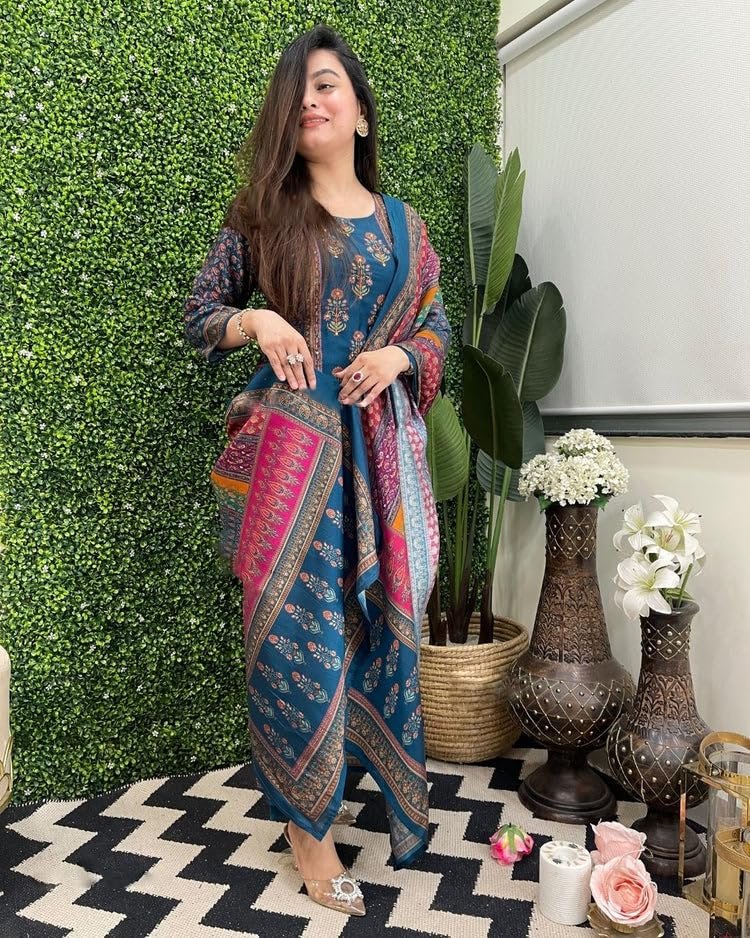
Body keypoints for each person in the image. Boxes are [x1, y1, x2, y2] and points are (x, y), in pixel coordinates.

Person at [183, 23, 451, 918]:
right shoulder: (262, 213)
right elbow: (200, 312)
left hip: (377, 465)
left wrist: (400, 357)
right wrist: (257, 321)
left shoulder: (406, 228)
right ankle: (307, 831)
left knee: (375, 630)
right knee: (296, 641)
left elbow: (437, 330)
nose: (311, 99)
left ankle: (361, 786)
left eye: (328, 84)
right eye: (298, 88)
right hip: (292, 467)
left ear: (362, 113)